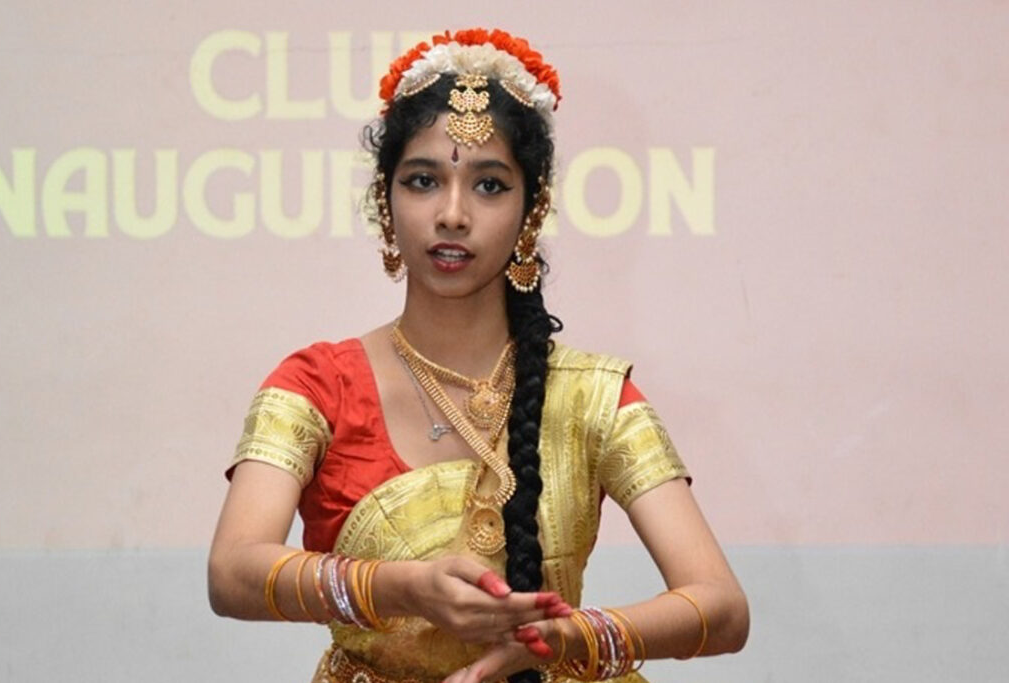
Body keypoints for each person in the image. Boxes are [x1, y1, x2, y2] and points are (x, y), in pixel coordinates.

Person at [208, 28, 749, 683]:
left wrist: (568, 637)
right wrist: (400, 587)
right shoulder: (318, 386)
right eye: (423, 180)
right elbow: (231, 572)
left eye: (489, 185)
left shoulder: (591, 397)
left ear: (531, 210)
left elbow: (723, 609)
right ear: (385, 201)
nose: (453, 214)